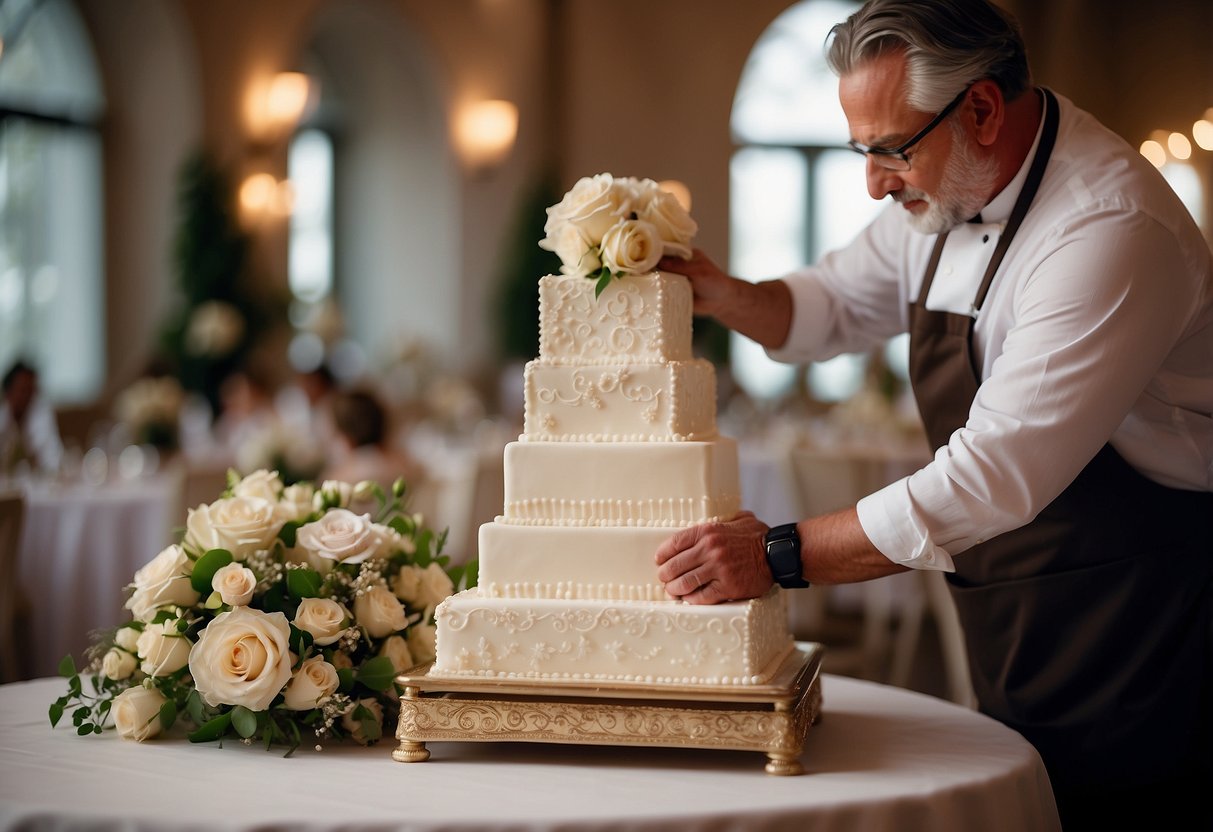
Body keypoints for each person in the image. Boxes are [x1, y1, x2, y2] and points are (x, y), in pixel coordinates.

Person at [652, 1, 1213, 828]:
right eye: (861, 151)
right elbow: (830, 305)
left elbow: (990, 477)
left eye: (889, 150)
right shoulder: (940, 195)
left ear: (981, 109)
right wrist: (717, 293)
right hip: (1010, 607)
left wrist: (776, 553)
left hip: (1138, 617)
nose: (874, 182)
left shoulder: (1108, 227)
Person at [0, 359, 64, 476]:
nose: (28, 397)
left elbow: (53, 460)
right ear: (8, 393)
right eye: (22, 390)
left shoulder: (41, 415)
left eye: (31, 390)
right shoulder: (2, 418)